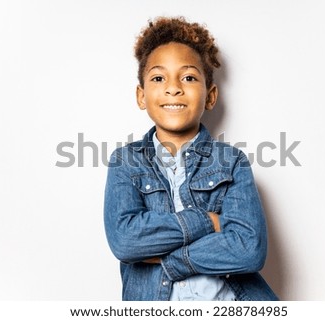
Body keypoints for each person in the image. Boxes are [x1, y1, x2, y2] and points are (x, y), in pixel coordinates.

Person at [104, 16, 278, 301]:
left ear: (210, 96)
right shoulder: (125, 161)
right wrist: (209, 222)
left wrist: (170, 260)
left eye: (188, 77)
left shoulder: (232, 162)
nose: (174, 88)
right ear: (141, 96)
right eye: (159, 78)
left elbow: (249, 250)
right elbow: (126, 242)